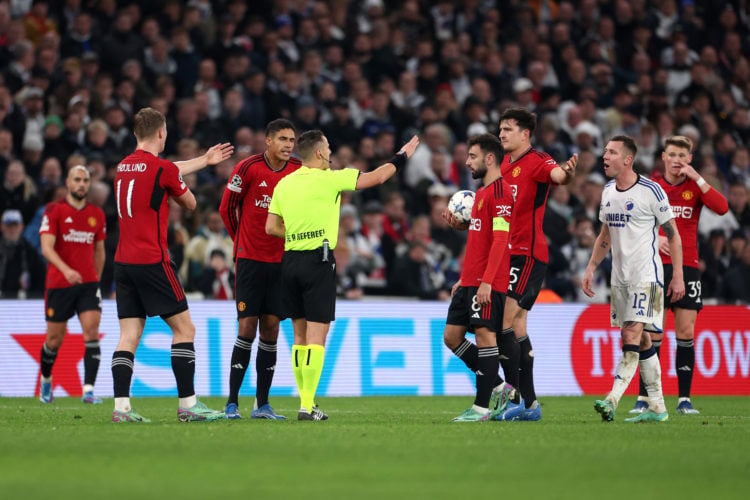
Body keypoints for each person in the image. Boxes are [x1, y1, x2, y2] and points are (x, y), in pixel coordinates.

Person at [266, 130, 420, 420]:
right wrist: (402, 156)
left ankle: (306, 401)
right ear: (321, 153)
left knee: (299, 336)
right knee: (317, 337)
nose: (331, 152)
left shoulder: (283, 184)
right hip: (317, 261)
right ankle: (307, 405)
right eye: (329, 147)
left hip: (289, 261)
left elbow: (271, 227)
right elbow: (377, 177)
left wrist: (298, 233)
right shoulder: (332, 178)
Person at [110, 107, 234, 423]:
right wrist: (186, 184)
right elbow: (189, 202)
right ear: (162, 133)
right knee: (184, 328)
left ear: (136, 133)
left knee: (129, 335)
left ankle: (121, 408)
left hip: (123, 263)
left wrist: (203, 161)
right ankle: (188, 404)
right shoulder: (162, 170)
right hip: (153, 260)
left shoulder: (124, 167)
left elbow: (164, 170)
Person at [582, 135, 685, 423]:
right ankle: (658, 406)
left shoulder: (651, 191)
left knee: (630, 333)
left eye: (612, 152)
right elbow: (605, 235)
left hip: (646, 276)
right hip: (620, 278)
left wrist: (677, 275)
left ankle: (612, 399)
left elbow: (674, 236)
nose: (605, 156)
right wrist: (591, 267)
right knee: (640, 341)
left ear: (628, 159)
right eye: (604, 151)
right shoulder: (606, 192)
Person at [630, 135, 728, 415]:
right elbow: (633, 222)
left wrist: (697, 177)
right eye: (672, 155)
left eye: (683, 156)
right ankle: (645, 397)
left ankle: (684, 399)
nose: (677, 161)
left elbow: (722, 208)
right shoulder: (650, 187)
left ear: (689, 160)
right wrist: (654, 237)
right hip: (654, 266)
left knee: (686, 332)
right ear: (663, 157)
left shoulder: (694, 188)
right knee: (651, 333)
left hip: (688, 267)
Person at [494, 107, 578, 421]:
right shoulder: (502, 164)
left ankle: (515, 396)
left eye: (508, 129)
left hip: (527, 253)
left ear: (525, 134)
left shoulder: (539, 161)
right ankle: (529, 405)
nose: (501, 134)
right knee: (516, 327)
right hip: (505, 253)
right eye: (500, 129)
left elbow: (559, 176)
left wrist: (568, 172)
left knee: (502, 322)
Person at [218, 118, 300, 420]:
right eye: (282, 139)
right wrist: (241, 242)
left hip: (281, 263)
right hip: (251, 261)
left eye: (291, 140)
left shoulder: (296, 171)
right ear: (268, 141)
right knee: (246, 328)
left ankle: (262, 404)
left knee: (272, 329)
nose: (288, 145)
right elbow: (226, 208)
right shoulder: (248, 168)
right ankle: (231, 403)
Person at [441, 133, 516, 421]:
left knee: (486, 338)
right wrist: (466, 277)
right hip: (469, 281)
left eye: (472, 156)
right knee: (452, 337)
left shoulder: (500, 192)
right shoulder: (482, 194)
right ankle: (498, 385)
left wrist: (486, 281)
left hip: (488, 283)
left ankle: (481, 408)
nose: (467, 162)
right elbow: (481, 240)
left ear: (489, 159)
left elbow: (500, 240)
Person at [37, 166, 106, 404]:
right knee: (54, 339)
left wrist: (95, 278)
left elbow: (99, 250)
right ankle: (46, 381)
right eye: (77, 180)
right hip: (59, 283)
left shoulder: (96, 214)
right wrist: (66, 270)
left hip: (87, 284)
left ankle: (88, 391)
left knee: (91, 330)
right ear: (68, 182)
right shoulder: (54, 210)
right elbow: (46, 247)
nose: (82, 184)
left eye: (85, 180)